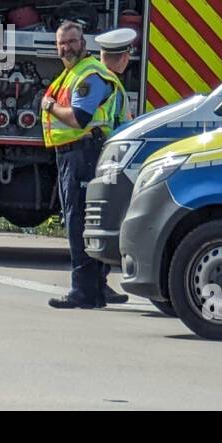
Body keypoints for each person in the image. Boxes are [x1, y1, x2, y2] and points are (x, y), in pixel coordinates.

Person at [42, 20, 127, 309]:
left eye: (72, 41)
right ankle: (97, 288)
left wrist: (50, 106)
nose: (66, 47)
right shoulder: (73, 74)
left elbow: (79, 118)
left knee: (79, 222)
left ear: (84, 43)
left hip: (83, 154)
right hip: (79, 154)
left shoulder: (88, 75)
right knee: (88, 221)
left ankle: (84, 291)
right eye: (61, 43)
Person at [95, 27, 138, 305]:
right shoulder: (108, 83)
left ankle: (99, 282)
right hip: (108, 159)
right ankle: (98, 283)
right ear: (122, 57)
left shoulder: (99, 79)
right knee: (106, 221)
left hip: (100, 156)